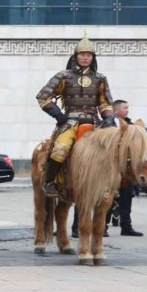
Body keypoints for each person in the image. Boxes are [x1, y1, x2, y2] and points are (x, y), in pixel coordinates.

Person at [37, 31, 115, 199]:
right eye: (82, 54)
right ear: (76, 56)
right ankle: (49, 182)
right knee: (60, 149)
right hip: (70, 122)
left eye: (89, 55)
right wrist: (58, 115)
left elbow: (104, 102)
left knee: (113, 150)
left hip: (95, 122)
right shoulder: (63, 76)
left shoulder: (100, 78)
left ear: (93, 58)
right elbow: (43, 97)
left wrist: (108, 117)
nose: (86, 58)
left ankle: (110, 186)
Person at [112, 100, 142, 237]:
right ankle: (103, 227)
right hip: (111, 167)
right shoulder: (107, 124)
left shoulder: (130, 125)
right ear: (116, 110)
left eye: (127, 108)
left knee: (126, 198)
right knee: (109, 197)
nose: (127, 110)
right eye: (124, 108)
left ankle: (126, 227)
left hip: (126, 169)